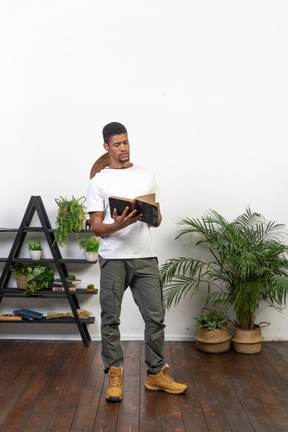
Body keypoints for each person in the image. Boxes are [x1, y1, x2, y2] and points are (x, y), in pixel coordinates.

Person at [87, 122, 187, 402]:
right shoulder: (98, 181)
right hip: (113, 258)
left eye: (126, 143)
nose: (123, 149)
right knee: (111, 319)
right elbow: (96, 226)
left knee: (156, 317)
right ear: (106, 147)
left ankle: (156, 374)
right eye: (117, 144)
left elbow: (158, 219)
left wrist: (149, 216)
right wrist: (116, 225)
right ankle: (115, 374)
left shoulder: (147, 176)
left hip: (145, 256)